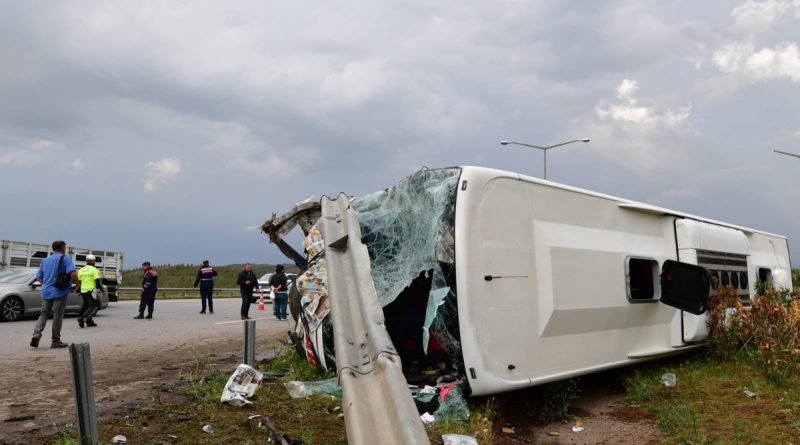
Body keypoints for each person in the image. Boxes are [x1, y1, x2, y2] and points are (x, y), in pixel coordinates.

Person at [30, 240, 79, 349]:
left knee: (43, 314)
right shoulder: (65, 258)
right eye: (65, 247)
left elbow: (39, 277)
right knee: (57, 316)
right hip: (60, 291)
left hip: (46, 292)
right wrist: (77, 284)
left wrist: (46, 285)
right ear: (62, 248)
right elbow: (73, 274)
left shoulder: (45, 260)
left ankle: (36, 334)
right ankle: (55, 341)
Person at [76, 254, 107, 328]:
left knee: (86, 305)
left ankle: (89, 321)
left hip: (83, 290)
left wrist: (79, 290)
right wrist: (103, 290)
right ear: (93, 261)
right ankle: (82, 318)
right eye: (94, 260)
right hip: (91, 290)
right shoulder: (94, 270)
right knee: (93, 306)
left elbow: (79, 282)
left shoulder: (81, 270)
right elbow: (97, 282)